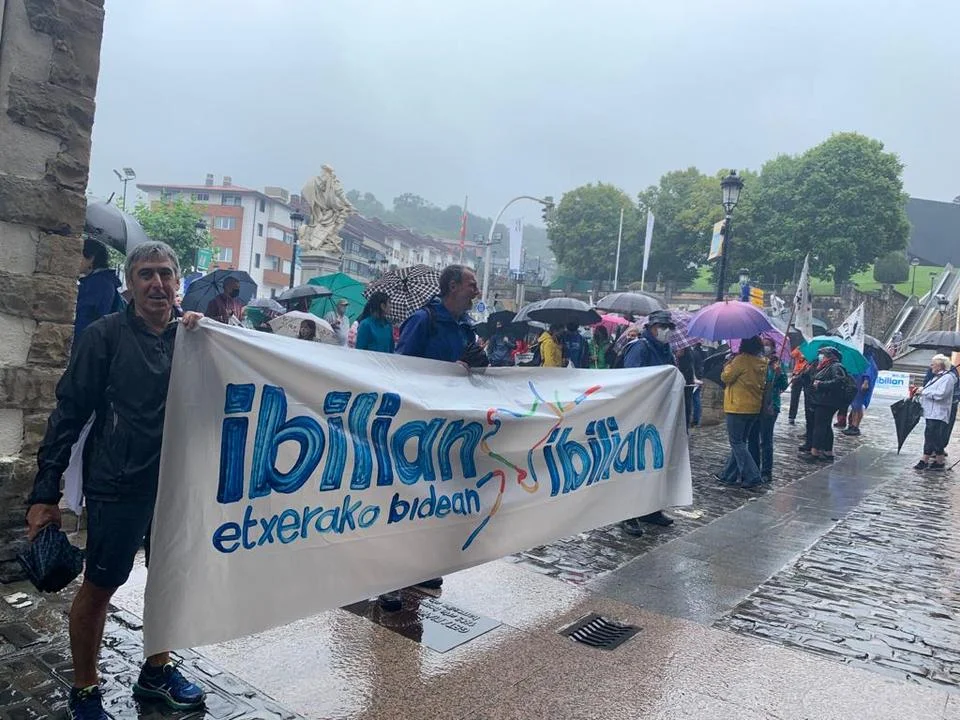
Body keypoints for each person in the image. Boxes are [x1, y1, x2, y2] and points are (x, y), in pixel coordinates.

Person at [25, 242, 206, 719]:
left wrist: (207, 334)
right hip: (118, 482)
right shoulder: (104, 336)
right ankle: (85, 689)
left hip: (175, 484)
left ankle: (156, 672)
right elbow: (68, 414)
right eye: (146, 274)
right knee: (102, 585)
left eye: (165, 273)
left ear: (178, 283)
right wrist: (45, 493)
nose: (156, 283)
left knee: (168, 580)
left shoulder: (192, 337)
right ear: (130, 284)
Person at [384, 264, 486, 611]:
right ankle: (389, 581)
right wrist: (454, 367)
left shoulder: (466, 328)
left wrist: (478, 364)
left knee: (432, 502)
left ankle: (421, 569)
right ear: (453, 286)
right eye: (472, 284)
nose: (477, 291)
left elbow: (466, 374)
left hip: (447, 429)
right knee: (403, 503)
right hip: (415, 428)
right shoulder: (423, 321)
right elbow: (400, 370)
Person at [620, 310, 678, 533]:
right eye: (661, 327)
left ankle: (650, 509)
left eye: (668, 328)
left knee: (654, 464)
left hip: (660, 415)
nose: (665, 331)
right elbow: (631, 381)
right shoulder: (639, 348)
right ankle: (627, 514)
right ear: (651, 327)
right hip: (639, 416)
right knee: (634, 465)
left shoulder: (666, 350)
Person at [713, 336, 767, 489]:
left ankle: (753, 476)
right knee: (741, 442)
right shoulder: (762, 362)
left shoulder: (741, 360)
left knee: (736, 442)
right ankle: (728, 475)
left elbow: (726, 377)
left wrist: (728, 364)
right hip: (753, 408)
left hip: (737, 407)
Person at [748, 338, 790, 482]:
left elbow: (784, 386)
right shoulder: (756, 361)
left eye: (768, 345)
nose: (765, 347)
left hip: (770, 406)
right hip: (755, 404)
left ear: (773, 348)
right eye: (763, 344)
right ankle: (753, 468)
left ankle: (766, 471)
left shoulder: (776, 363)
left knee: (766, 440)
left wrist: (779, 373)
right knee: (752, 438)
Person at [74, 237, 124, 349]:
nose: (74, 258)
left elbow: (87, 317)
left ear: (91, 258)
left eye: (79, 254)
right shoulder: (101, 281)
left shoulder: (99, 284)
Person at [803, 346, 848, 463]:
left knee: (819, 426)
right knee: (826, 426)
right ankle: (828, 452)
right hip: (823, 400)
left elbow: (839, 381)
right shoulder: (825, 366)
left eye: (823, 354)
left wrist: (821, 384)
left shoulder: (836, 366)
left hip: (827, 402)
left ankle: (815, 452)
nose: (821, 357)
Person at [914, 355, 958, 471]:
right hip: (931, 412)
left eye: (933, 364)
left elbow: (941, 395)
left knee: (934, 436)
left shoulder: (948, 378)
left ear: (940, 366)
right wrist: (922, 390)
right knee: (931, 435)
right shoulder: (936, 377)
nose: (931, 366)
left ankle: (928, 460)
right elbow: (930, 390)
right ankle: (936, 460)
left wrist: (924, 392)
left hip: (939, 413)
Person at [842, 356, 878, 437]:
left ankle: (855, 426)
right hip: (856, 382)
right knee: (855, 406)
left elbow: (868, 372)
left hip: (861, 384)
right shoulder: (861, 357)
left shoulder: (868, 359)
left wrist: (866, 381)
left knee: (857, 406)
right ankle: (852, 425)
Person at [787, 346, 808, 425]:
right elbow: (792, 355)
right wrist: (800, 349)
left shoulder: (813, 349)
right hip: (797, 374)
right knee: (794, 397)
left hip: (807, 375)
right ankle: (791, 417)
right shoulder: (800, 347)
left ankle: (808, 417)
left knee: (808, 398)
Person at [690, 342, 706, 427]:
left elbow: (692, 366)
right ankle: (697, 419)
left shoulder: (693, 353)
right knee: (696, 399)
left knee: (695, 399)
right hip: (699, 377)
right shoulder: (700, 352)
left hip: (695, 379)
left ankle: (695, 419)